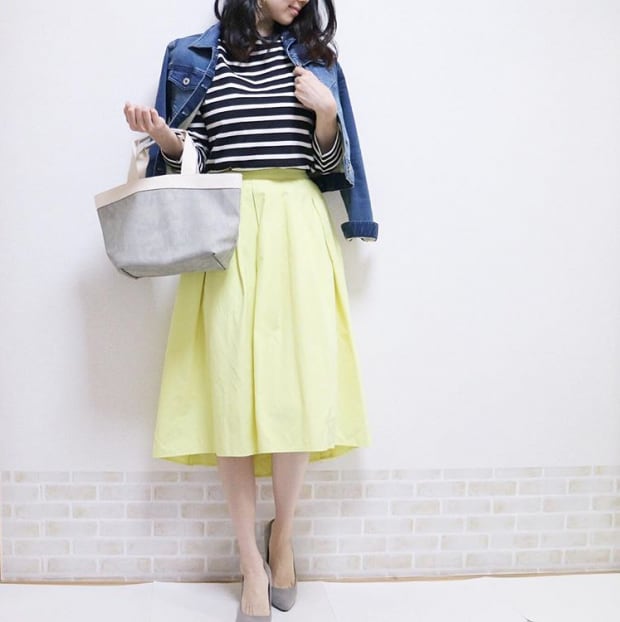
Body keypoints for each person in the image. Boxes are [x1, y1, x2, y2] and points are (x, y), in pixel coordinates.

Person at [124, 1, 377, 620]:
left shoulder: (315, 59)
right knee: (230, 395)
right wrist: (166, 139)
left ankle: (282, 537)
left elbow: (330, 169)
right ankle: (250, 564)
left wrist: (327, 116)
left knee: (295, 395)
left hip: (297, 230)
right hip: (226, 230)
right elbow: (191, 159)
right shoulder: (193, 56)